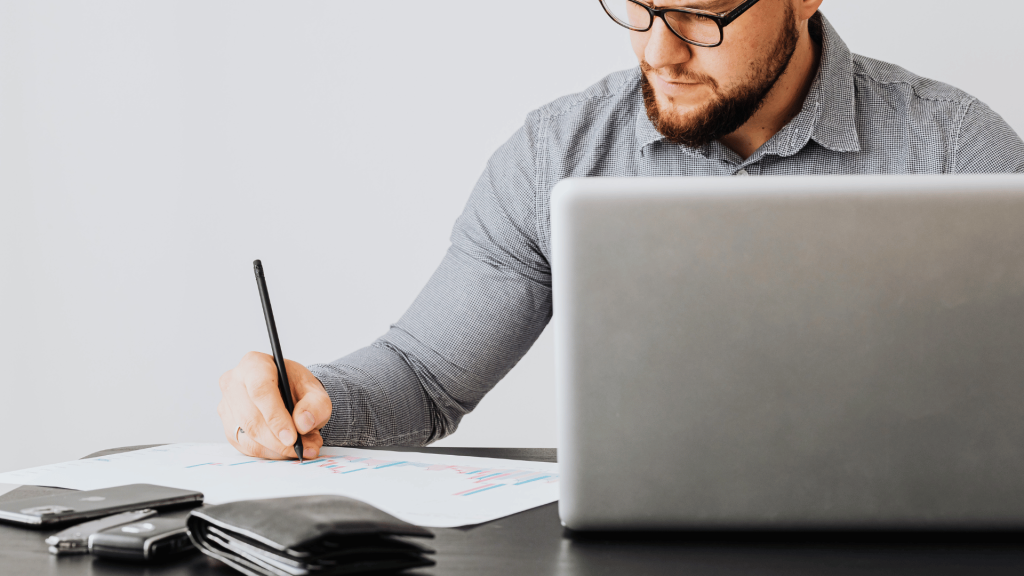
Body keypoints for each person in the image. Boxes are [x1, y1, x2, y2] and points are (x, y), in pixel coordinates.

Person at [216, 0, 1024, 460]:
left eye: (698, 14)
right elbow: (426, 379)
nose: (658, 50)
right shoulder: (554, 154)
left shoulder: (960, 152)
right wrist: (315, 395)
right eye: (636, 6)